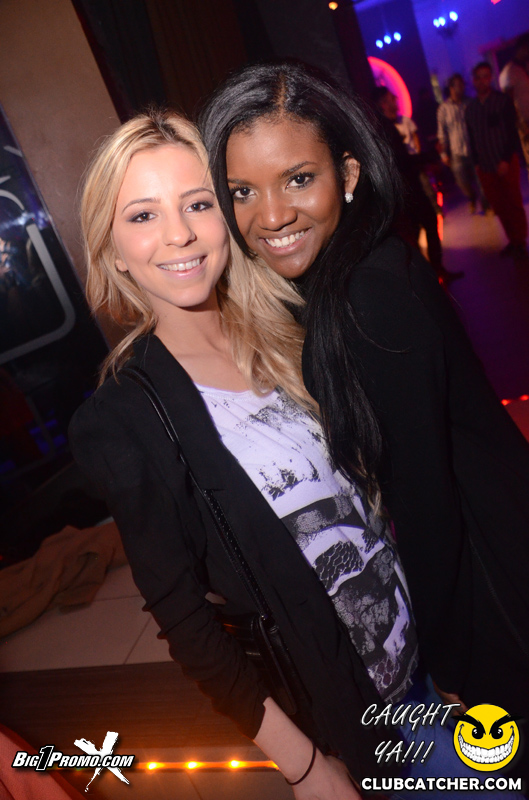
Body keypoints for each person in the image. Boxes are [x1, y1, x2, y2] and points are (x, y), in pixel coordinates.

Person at [68, 109, 425, 799]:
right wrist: (305, 766)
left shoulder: (294, 321)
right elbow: (187, 623)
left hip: (431, 654)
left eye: (198, 203)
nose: (179, 233)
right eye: (142, 216)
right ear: (112, 250)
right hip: (359, 715)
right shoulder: (123, 418)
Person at [200, 61, 529, 783]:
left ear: (347, 174)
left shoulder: (366, 298)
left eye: (297, 179)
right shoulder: (352, 270)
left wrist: (445, 663)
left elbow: (427, 507)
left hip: (491, 582)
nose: (270, 216)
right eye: (242, 191)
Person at [370, 86, 457, 283]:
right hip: (407, 188)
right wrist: (430, 156)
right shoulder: (386, 129)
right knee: (425, 225)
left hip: (405, 187)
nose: (396, 100)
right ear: (383, 103)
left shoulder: (385, 127)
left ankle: (428, 275)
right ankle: (431, 274)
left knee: (417, 229)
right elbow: (402, 161)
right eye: (391, 98)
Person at [465, 61, 528, 259]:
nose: (482, 81)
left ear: (491, 78)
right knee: (499, 205)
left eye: (486, 76)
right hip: (485, 165)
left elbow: (511, 132)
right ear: (474, 80)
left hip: (505, 161)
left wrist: (506, 159)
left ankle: (520, 241)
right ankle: (512, 239)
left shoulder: (502, 101)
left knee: (513, 202)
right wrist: (476, 163)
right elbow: (472, 137)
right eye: (479, 77)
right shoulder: (471, 108)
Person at [437, 74, 489, 213]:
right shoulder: (444, 109)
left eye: (462, 84)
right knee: (462, 182)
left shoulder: (470, 103)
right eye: (459, 85)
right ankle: (471, 197)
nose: (462, 87)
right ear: (451, 88)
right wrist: (444, 154)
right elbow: (442, 132)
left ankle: (486, 205)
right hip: (456, 152)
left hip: (474, 149)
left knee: (481, 180)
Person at [499, 34, 529, 178]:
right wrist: (520, 125)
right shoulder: (510, 71)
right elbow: (508, 103)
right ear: (522, 48)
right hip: (525, 123)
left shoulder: (523, 68)